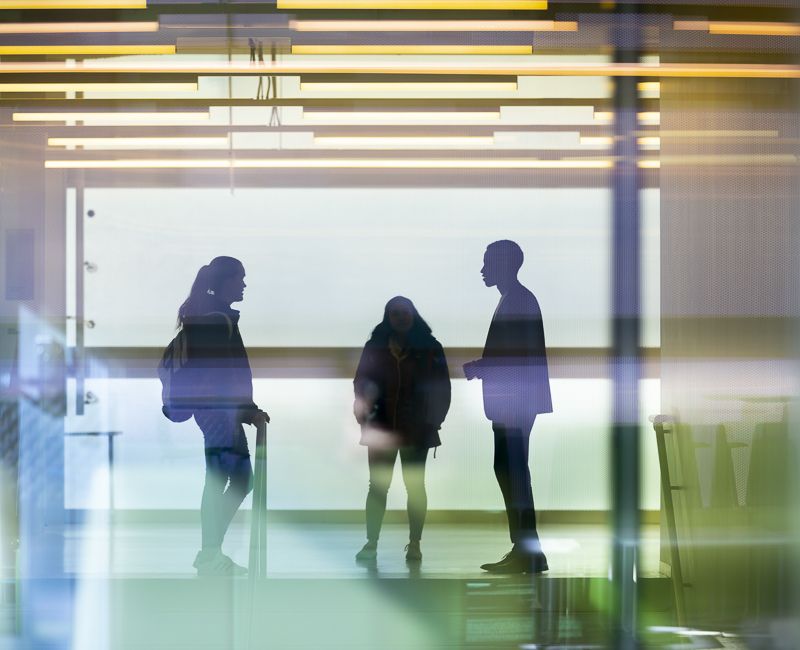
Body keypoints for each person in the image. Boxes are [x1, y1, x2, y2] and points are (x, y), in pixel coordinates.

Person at [463, 241, 552, 574]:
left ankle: (527, 550)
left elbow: (515, 358)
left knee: (512, 473)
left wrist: (481, 367)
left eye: (487, 262)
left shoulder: (517, 301)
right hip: (514, 403)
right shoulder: (515, 300)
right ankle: (526, 549)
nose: (483, 269)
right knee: (511, 472)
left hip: (514, 405)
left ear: (504, 264)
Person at [177, 256, 269, 576]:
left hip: (215, 412)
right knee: (230, 480)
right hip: (219, 413)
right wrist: (245, 408)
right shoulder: (217, 321)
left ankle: (210, 551)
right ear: (224, 281)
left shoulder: (210, 317)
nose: (243, 284)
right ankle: (210, 552)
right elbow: (225, 372)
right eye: (239, 278)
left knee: (224, 480)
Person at [353, 296, 451, 563]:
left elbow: (442, 388)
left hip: (416, 428)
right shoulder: (374, 347)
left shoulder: (431, 347)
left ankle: (415, 544)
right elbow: (360, 382)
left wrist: (433, 421)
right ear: (388, 316)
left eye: (404, 312)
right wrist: (365, 416)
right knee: (378, 487)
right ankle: (371, 543)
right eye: (395, 313)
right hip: (381, 428)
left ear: (413, 314)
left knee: (414, 487)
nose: (400, 317)